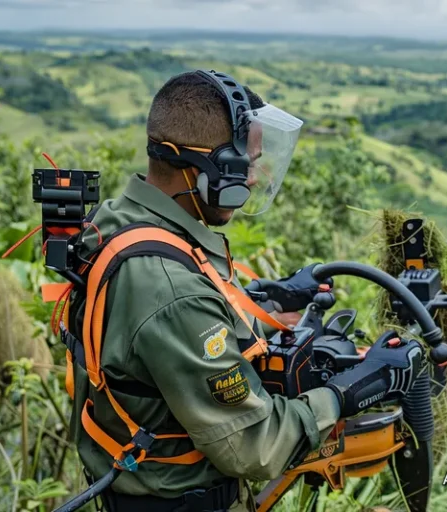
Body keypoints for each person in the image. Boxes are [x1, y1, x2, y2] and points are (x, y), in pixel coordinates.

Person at [64, 70, 424, 512]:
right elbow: (255, 446)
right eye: (247, 165)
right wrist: (351, 391)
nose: (252, 179)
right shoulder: (171, 290)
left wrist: (264, 300)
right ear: (208, 170)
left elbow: (162, 329)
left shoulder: (123, 221)